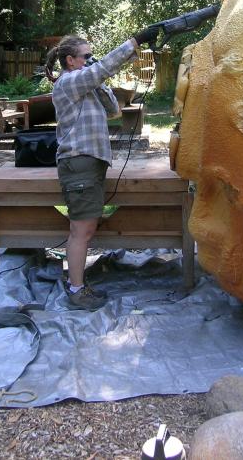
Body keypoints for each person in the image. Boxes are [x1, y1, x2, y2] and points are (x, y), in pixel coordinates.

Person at [44, 26, 159, 310]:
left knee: (86, 228)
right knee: (81, 231)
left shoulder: (86, 83)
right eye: (86, 56)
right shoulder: (68, 82)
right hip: (79, 162)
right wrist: (135, 42)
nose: (91, 60)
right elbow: (102, 69)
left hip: (90, 163)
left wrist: (98, 81)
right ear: (71, 60)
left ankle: (78, 285)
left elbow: (113, 110)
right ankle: (76, 290)